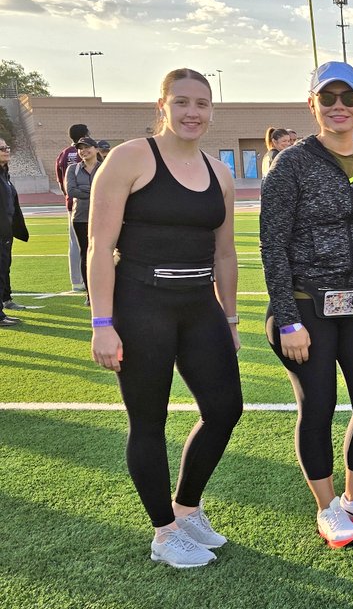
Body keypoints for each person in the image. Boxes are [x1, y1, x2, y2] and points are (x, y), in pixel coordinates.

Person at [89, 68, 243, 567]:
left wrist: (232, 318)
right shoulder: (130, 157)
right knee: (149, 421)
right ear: (162, 106)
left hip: (200, 305)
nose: (192, 112)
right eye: (181, 102)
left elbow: (225, 254)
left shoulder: (219, 172)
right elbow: (99, 245)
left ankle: (187, 507)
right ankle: (164, 532)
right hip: (141, 303)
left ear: (212, 110)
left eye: (202, 103)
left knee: (225, 409)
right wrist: (102, 323)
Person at [260, 61, 353, 550]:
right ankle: (326, 508)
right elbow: (272, 245)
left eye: (348, 97)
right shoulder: (292, 164)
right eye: (329, 98)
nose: (339, 106)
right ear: (313, 104)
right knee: (317, 406)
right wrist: (287, 315)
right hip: (306, 307)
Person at [64, 136, 101, 304]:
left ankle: (106, 290)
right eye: (80, 148)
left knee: (105, 254)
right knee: (85, 255)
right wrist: (94, 191)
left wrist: (85, 189)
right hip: (81, 218)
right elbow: (71, 191)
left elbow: (109, 190)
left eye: (87, 147)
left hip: (103, 217)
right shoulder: (73, 169)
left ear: (96, 149)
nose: (83, 151)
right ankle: (89, 294)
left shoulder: (105, 168)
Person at [56, 123, 89, 292]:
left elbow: (60, 180)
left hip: (71, 203)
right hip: (86, 204)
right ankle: (87, 279)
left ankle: (77, 281)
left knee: (75, 244)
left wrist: (68, 195)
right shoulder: (88, 151)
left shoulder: (63, 154)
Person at [0, 139, 29, 326]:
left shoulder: (5, 174)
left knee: (4, 268)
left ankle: (5, 300)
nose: (6, 150)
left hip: (6, 231)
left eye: (7, 147)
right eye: (1, 148)